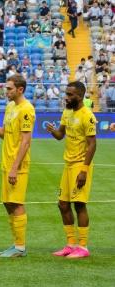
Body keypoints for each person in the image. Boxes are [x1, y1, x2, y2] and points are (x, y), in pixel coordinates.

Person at [0, 74, 35, 258]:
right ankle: (15, 244)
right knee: (7, 203)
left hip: (17, 165)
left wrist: (15, 167)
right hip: (6, 162)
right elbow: (5, 134)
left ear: (20, 89)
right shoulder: (9, 107)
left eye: (9, 88)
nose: (6, 91)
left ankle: (20, 247)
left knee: (16, 202)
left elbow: (25, 142)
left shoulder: (27, 109)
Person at [46, 81, 97, 258]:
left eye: (70, 95)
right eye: (66, 94)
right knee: (62, 204)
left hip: (80, 165)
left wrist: (84, 170)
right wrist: (53, 131)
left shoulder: (87, 115)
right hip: (68, 164)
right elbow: (61, 135)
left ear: (80, 96)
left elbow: (92, 145)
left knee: (79, 204)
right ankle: (70, 244)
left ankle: (83, 247)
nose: (66, 97)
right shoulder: (67, 111)